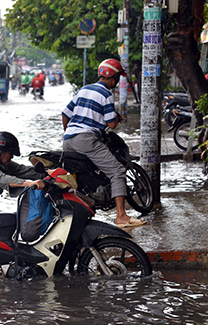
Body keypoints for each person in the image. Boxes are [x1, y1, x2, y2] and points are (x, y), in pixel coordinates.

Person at [61, 58, 146, 228]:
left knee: (81, 178)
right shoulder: (106, 94)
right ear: (112, 78)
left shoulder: (83, 89)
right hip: (86, 139)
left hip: (68, 140)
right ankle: (121, 216)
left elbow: (65, 114)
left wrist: (69, 133)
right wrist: (114, 115)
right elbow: (112, 124)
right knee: (117, 171)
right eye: (117, 78)